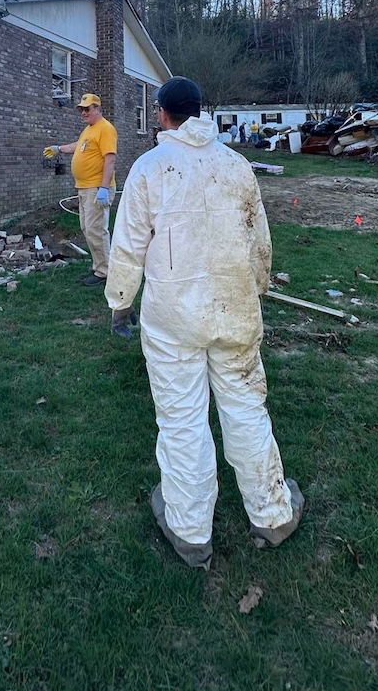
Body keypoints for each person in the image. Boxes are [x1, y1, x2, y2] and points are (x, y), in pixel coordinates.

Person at [104, 77, 304, 570]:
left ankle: (191, 531)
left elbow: (128, 244)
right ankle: (273, 514)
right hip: (235, 310)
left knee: (182, 419)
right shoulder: (236, 165)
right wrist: (254, 287)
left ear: (161, 114)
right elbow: (260, 240)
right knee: (246, 409)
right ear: (200, 112)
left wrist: (120, 302)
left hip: (173, 319)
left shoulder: (150, 168)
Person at [44, 92, 117, 286]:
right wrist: (59, 148)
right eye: (81, 109)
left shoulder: (105, 129)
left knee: (96, 230)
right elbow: (79, 146)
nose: (83, 112)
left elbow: (110, 159)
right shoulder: (89, 129)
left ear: (98, 109)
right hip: (85, 188)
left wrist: (103, 187)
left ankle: (105, 272)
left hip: (96, 188)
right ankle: (100, 266)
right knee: (88, 228)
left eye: (87, 109)